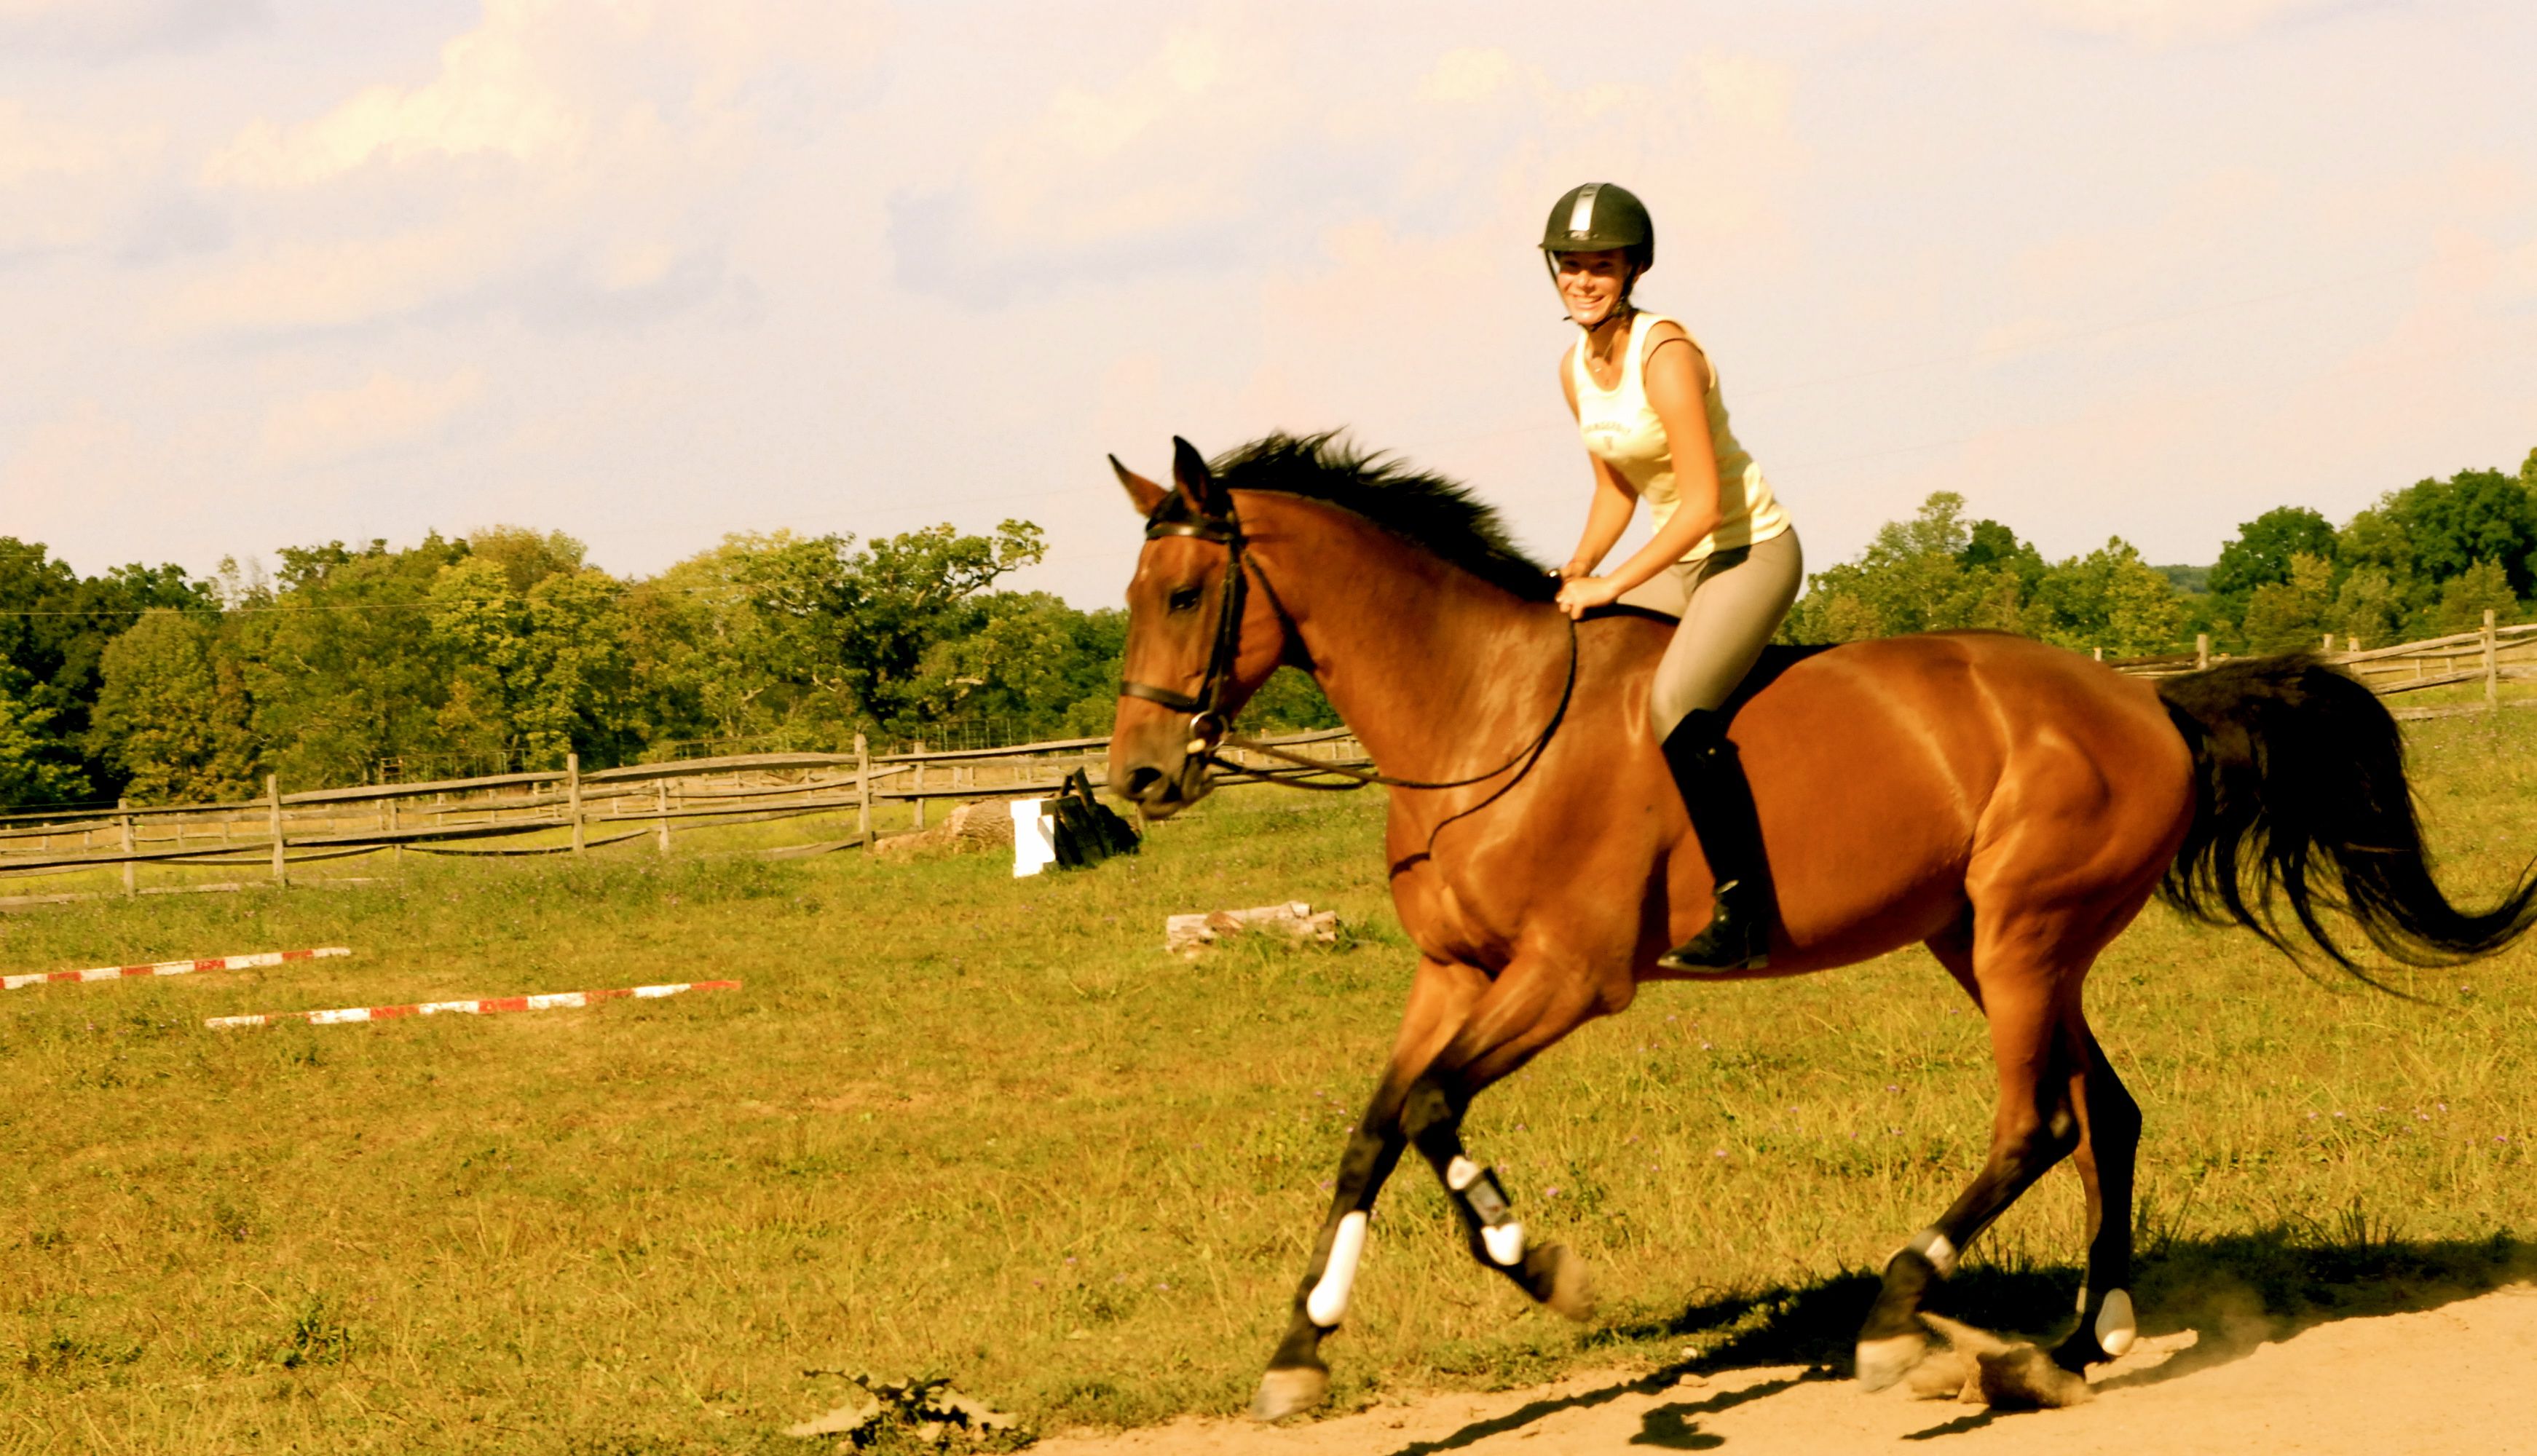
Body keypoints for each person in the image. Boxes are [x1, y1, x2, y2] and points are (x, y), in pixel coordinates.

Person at [1542, 181, 1803, 972]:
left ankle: (1744, 911)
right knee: (1569, 659)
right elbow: (1613, 489)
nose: (1583, 280)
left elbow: (1699, 506)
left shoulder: (1666, 354)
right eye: (1570, 265)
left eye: (1601, 265)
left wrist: (1612, 585)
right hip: (1678, 561)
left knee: (1674, 704)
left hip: (1745, 552)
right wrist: (1576, 570)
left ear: (1633, 269)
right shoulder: (1574, 366)